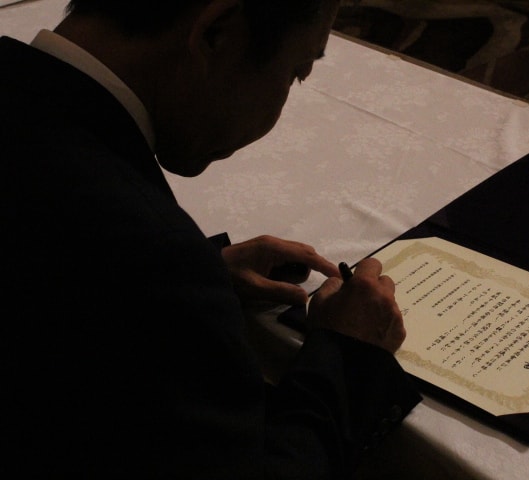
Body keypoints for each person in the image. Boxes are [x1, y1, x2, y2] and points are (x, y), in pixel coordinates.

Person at [1, 0, 421, 478]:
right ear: (217, 33)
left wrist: (199, 275)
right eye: (296, 73)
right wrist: (348, 356)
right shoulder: (151, 259)